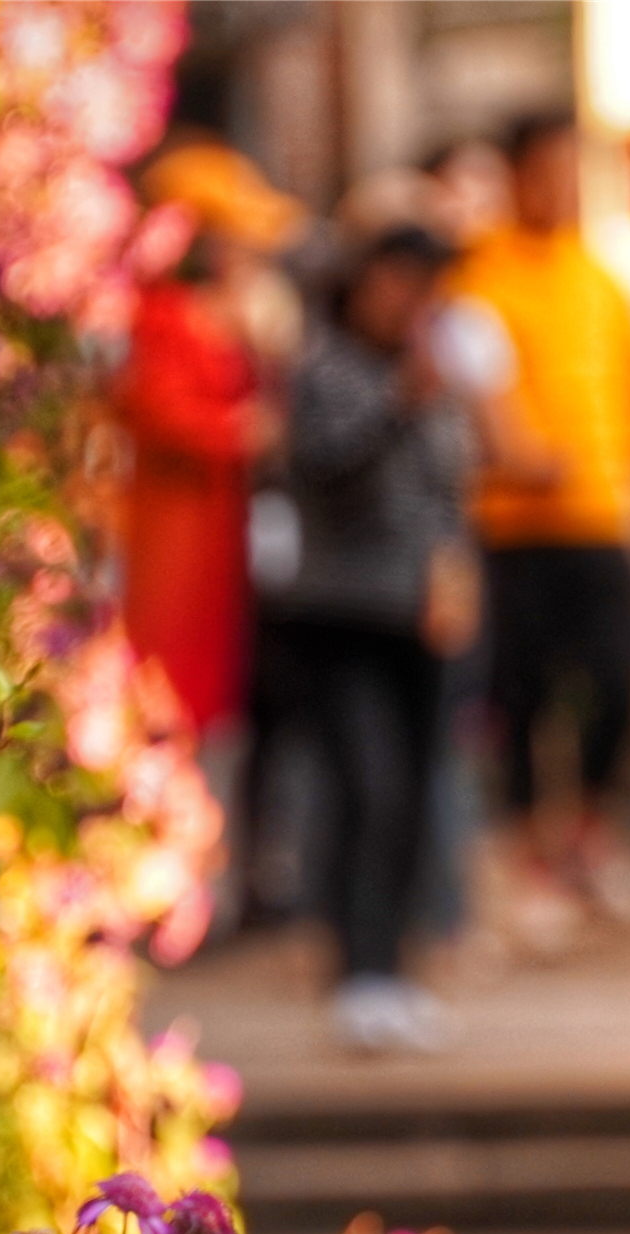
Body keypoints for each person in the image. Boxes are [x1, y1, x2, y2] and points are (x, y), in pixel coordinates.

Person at [448, 112, 630, 939]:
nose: (561, 189)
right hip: (513, 525)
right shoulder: (480, 281)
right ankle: (526, 854)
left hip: (603, 517)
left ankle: (588, 832)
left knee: (617, 678)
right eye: (546, 171)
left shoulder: (602, 283)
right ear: (515, 176)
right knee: (522, 691)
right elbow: (477, 393)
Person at [267, 226, 471, 1052]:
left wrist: (456, 574)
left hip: (417, 610)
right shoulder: (326, 371)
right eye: (395, 283)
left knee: (415, 792)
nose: (407, 302)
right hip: (340, 609)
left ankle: (392, 963)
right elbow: (320, 466)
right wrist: (398, 405)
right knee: (364, 785)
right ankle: (356, 967)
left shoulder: (427, 379)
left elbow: (448, 486)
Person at [117, 141, 302, 741]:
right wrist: (238, 431)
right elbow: (157, 409)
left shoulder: (222, 314)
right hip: (165, 529)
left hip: (217, 529)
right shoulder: (154, 313)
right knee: (160, 683)